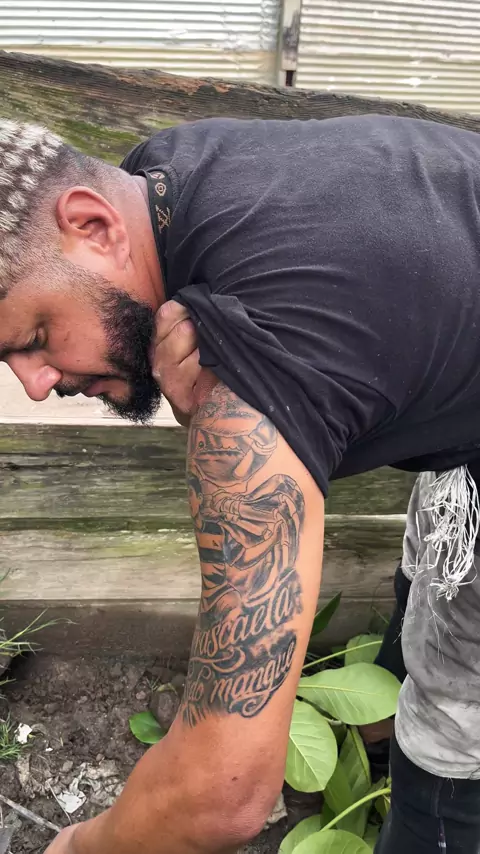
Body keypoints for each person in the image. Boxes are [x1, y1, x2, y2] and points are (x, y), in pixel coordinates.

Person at [2, 113, 480, 854]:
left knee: (456, 745)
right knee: (426, 589)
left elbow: (218, 797)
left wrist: (79, 848)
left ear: (93, 225)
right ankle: (382, 735)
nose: (34, 384)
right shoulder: (166, 179)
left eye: (34, 338)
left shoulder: (257, 346)